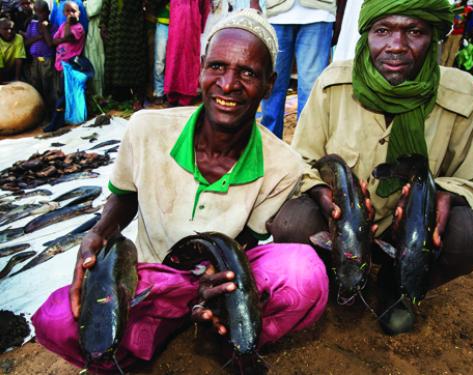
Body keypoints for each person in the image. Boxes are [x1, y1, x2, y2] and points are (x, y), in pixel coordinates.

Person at [32, 9, 328, 372]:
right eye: (217, 66)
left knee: (304, 273)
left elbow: (245, 245)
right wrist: (98, 232)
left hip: (223, 279)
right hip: (153, 277)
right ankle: (145, 342)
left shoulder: (283, 164)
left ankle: (231, 336)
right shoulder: (146, 128)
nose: (228, 84)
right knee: (56, 320)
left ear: (270, 84)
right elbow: (124, 196)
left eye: (248, 72)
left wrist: (222, 292)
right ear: (201, 68)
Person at [269, 0, 473, 335]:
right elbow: (300, 162)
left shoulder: (461, 93)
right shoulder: (334, 83)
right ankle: (341, 276)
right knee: (291, 222)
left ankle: (399, 282)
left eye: (415, 32)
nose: (396, 46)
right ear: (366, 35)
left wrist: (443, 197)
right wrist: (326, 197)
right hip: (345, 226)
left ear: (433, 36)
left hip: (409, 231)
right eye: (383, 31)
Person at [249, 0, 335, 139]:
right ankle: (270, 148)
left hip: (320, 12)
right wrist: (254, 4)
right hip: (276, 13)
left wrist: (340, 17)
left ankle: (306, 153)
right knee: (271, 87)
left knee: (311, 91)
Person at [43, 0, 86, 131]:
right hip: (60, 65)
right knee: (61, 92)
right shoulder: (62, 26)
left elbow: (68, 36)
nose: (70, 14)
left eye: (73, 11)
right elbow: (53, 41)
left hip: (70, 66)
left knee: (63, 94)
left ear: (79, 13)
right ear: (63, 12)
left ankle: (56, 122)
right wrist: (63, 37)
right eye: (67, 11)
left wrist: (67, 23)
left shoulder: (79, 28)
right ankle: (62, 118)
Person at [99, 0, 147, 109]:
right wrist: (103, 25)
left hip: (134, 28)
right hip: (114, 28)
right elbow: (106, 4)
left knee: (135, 61)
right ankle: (112, 95)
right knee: (113, 61)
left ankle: (137, 98)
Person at [163, 0, 210, 107]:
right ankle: (172, 94)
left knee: (187, 60)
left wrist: (200, 25)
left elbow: (204, 7)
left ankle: (185, 96)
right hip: (177, 25)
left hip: (191, 25)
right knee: (174, 58)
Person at [23, 0, 57, 116]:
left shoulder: (51, 25)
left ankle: (51, 113)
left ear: (48, 12)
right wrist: (39, 36)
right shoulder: (32, 24)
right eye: (37, 12)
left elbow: (50, 43)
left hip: (46, 59)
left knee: (48, 87)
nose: (40, 15)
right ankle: (40, 114)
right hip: (34, 60)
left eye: (42, 12)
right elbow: (27, 42)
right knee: (36, 87)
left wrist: (45, 29)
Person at [440, 0, 473, 67]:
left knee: (452, 54)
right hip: (450, 32)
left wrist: (463, 37)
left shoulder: (469, 9)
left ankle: (447, 70)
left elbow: (466, 23)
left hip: (459, 34)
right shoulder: (455, 6)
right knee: (444, 53)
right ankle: (441, 69)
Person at [83, 0, 105, 96]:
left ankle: (99, 96)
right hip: (88, 35)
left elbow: (90, 11)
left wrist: (83, 5)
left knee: (96, 63)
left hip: (95, 33)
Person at [0, 17, 25, 83]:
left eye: (11, 29)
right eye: (5, 29)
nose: (9, 31)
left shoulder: (18, 38)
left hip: (12, 68)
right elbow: (0, 65)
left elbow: (19, 58)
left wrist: (17, 78)